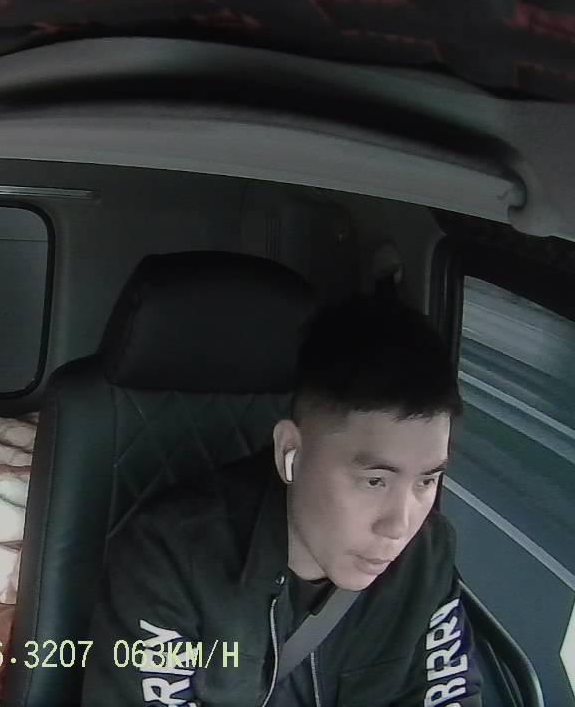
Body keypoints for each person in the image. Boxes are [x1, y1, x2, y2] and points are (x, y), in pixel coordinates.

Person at [83, 295, 481, 707]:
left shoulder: (427, 554)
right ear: (290, 450)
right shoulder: (171, 557)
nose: (399, 526)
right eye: (375, 481)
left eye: (427, 481)